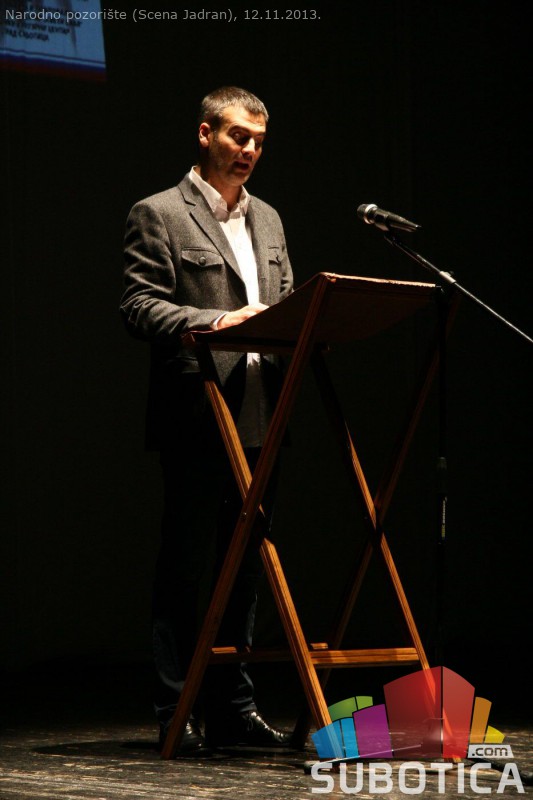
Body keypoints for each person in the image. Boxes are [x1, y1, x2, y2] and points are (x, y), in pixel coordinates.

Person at [120, 86, 294, 756]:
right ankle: (176, 709)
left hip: (262, 415)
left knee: (244, 569)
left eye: (258, 141)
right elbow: (139, 306)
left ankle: (232, 709)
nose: (248, 150)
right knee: (187, 568)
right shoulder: (160, 212)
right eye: (237, 136)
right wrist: (219, 321)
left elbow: (286, 302)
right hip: (198, 416)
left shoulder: (269, 219)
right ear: (205, 134)